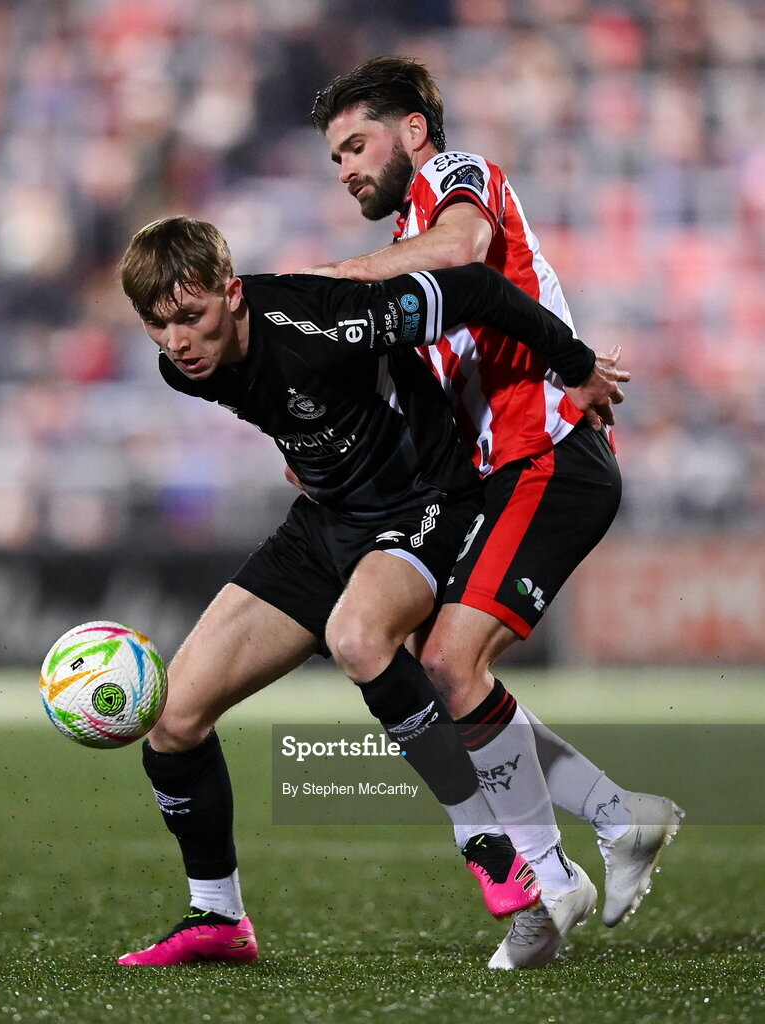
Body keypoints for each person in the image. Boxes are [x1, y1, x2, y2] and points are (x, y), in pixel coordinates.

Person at [113, 215, 624, 967]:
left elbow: (478, 288)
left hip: (425, 505)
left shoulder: (325, 320)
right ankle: (219, 918)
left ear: (233, 293)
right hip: (324, 525)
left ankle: (482, 836)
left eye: (192, 318)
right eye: (159, 326)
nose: (178, 342)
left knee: (361, 637)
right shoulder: (182, 368)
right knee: (173, 721)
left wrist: (574, 366)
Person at [308, 56, 683, 968]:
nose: (347, 167)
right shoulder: (406, 234)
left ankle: (551, 882)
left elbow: (465, 249)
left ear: (413, 131)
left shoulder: (455, 178)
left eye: (357, 144)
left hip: (548, 457)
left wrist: (341, 278)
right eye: (335, 157)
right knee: (441, 672)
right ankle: (615, 817)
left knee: (448, 659)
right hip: (503, 474)